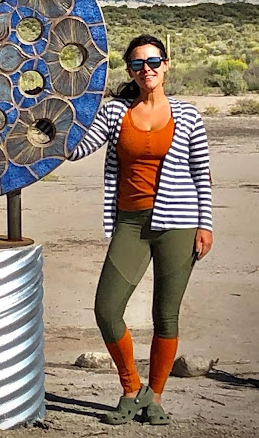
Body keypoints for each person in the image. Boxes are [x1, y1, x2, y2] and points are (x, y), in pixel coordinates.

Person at [69, 34, 213, 425]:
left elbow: (202, 174)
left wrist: (206, 225)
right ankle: (131, 388)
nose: (145, 69)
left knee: (166, 315)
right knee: (107, 309)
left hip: (180, 225)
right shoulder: (116, 112)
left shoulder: (187, 115)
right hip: (130, 223)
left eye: (152, 62)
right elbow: (80, 147)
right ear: (129, 71)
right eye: (137, 64)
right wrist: (51, 127)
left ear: (166, 64)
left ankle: (155, 397)